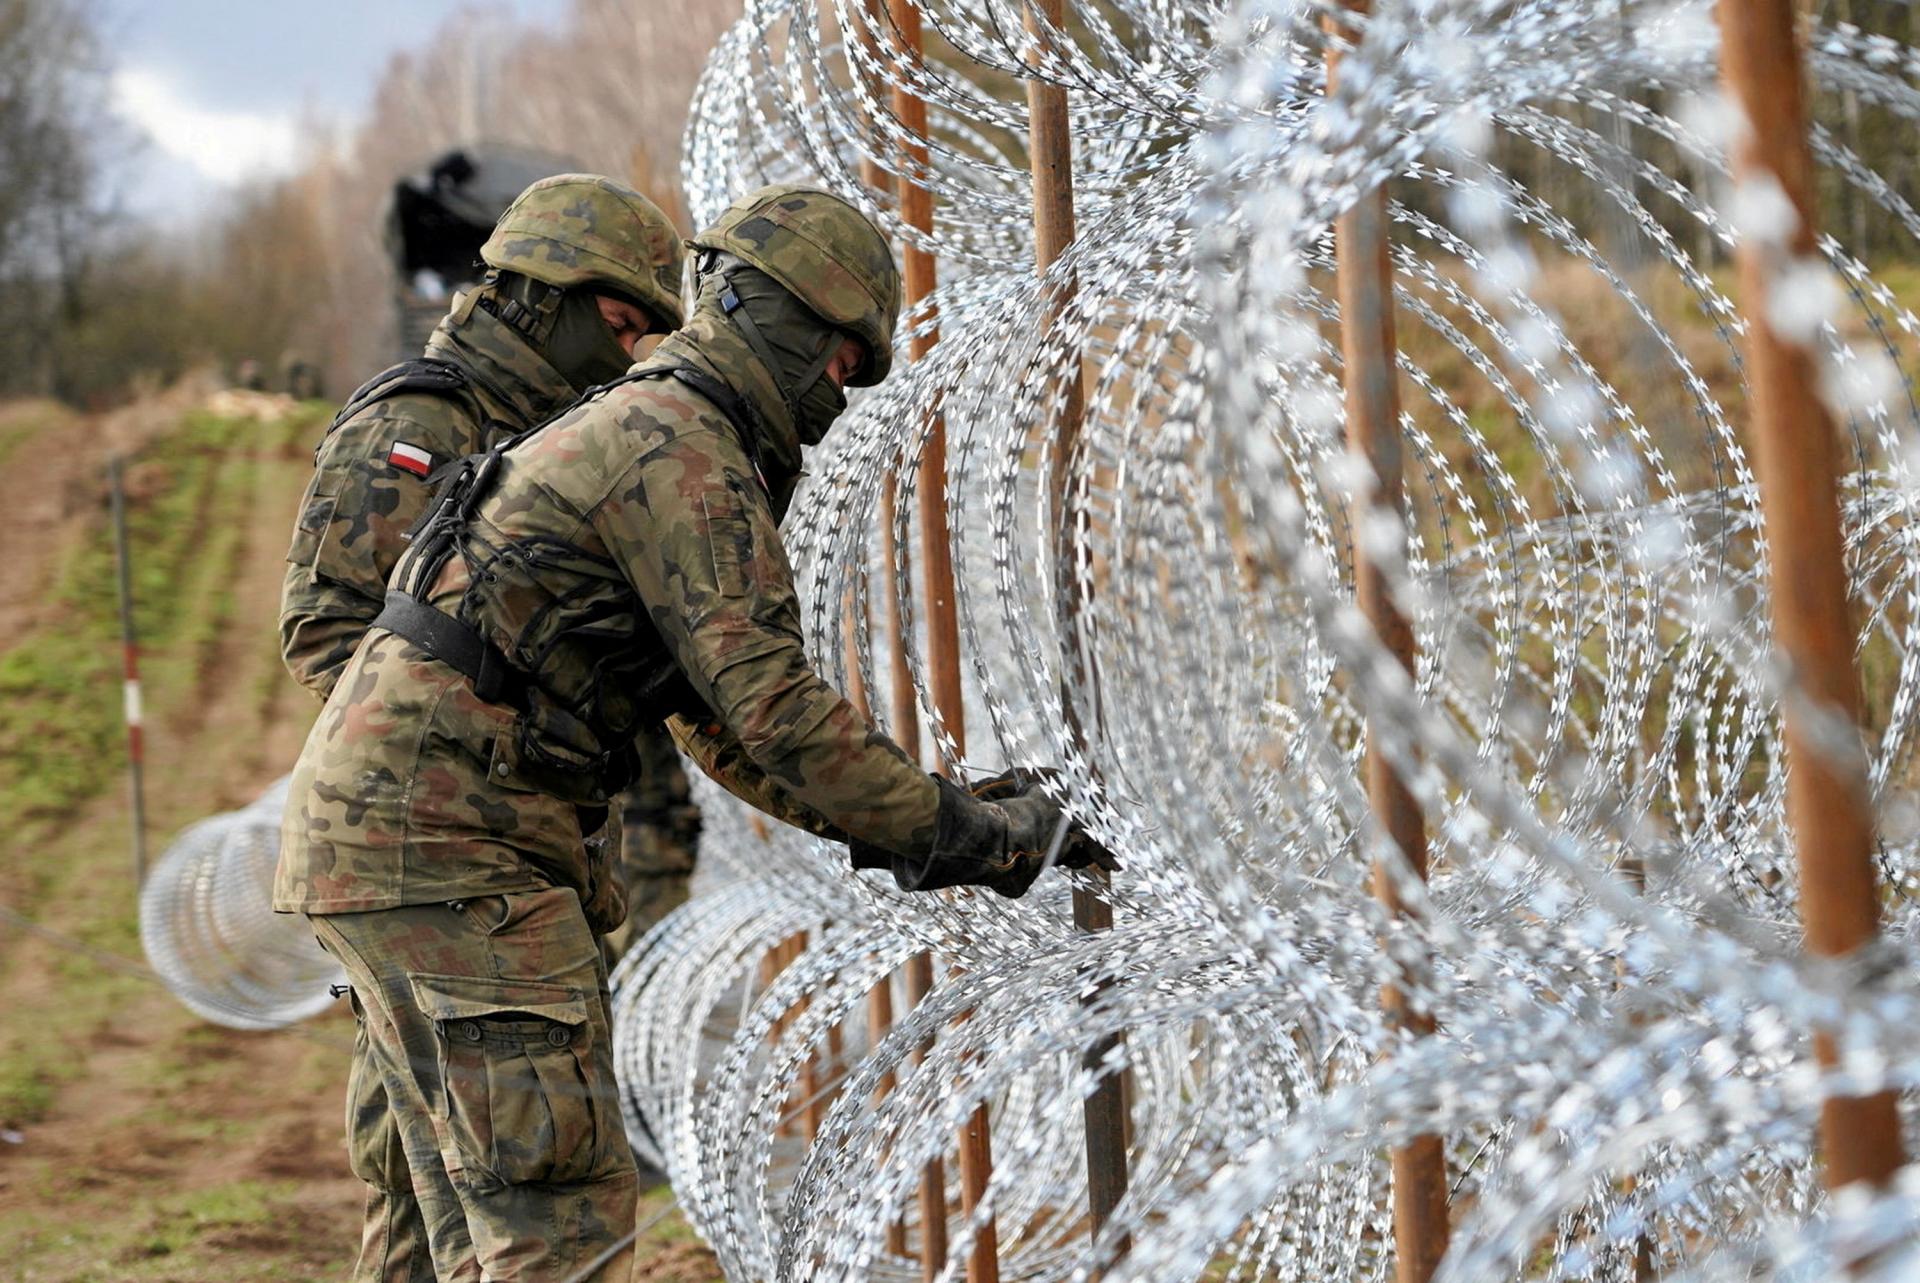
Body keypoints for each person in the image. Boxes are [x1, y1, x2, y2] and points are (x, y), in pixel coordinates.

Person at [276, 183, 1114, 1282]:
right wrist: (977, 834)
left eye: (859, 370)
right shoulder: (686, 449)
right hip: (459, 855)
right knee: (557, 1221)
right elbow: (773, 706)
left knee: (453, 1241)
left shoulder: (653, 424)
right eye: (836, 353)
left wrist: (949, 822)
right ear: (773, 317)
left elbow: (726, 730)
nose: (840, 386)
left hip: (399, 851)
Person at [278, 172, 685, 1283]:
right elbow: (327, 636)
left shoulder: (556, 432)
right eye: (617, 324)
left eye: (647, 335)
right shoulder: (423, 421)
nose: (631, 353)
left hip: (517, 860)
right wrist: (469, 760)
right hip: (435, 863)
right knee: (433, 1187)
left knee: (472, 1187)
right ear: (540, 295)